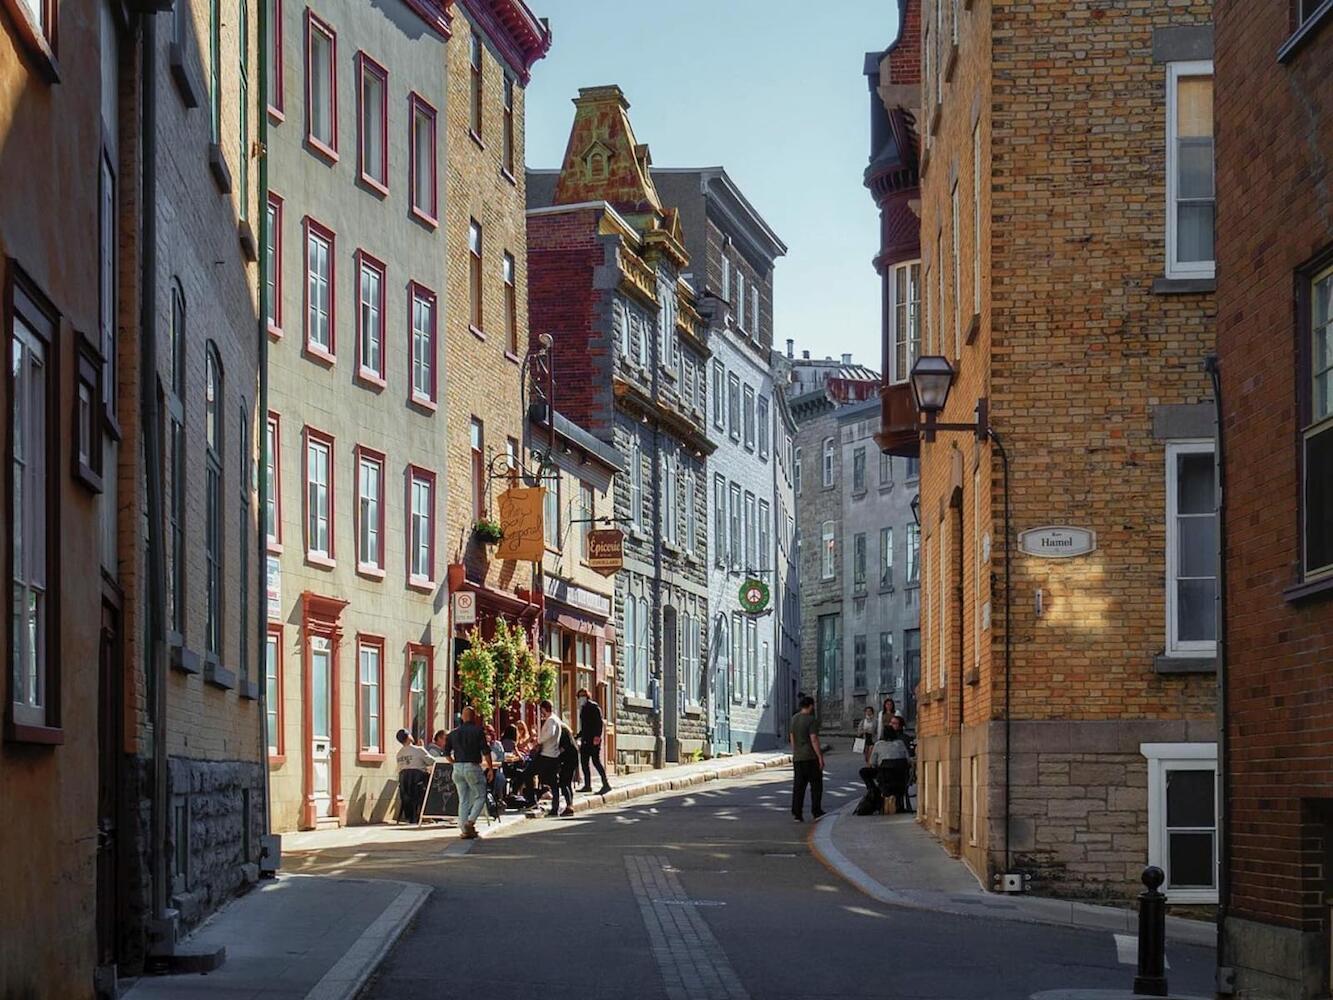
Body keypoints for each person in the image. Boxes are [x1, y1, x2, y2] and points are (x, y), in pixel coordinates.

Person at [442, 706, 493, 840]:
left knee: (463, 799)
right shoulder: (478, 731)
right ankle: (470, 822)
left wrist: (454, 763)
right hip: (472, 765)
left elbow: (446, 753)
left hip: (458, 767)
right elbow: (485, 751)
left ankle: (465, 830)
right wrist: (490, 768)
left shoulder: (453, 733)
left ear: (462, 718)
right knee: (480, 796)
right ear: (474, 716)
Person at [788, 696, 824, 822]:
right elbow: (813, 738)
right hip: (810, 757)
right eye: (812, 706)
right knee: (816, 785)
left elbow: (791, 736)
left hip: (798, 757)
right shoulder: (811, 720)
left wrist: (795, 751)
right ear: (809, 706)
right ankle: (816, 811)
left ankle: (797, 813)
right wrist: (820, 756)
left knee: (799, 786)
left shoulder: (794, 718)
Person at [859, 725, 911, 812]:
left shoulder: (878, 745)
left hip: (884, 777)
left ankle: (873, 789)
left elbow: (873, 763)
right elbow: (907, 759)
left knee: (863, 772)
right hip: (900, 778)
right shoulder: (900, 743)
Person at [575, 688, 612, 795]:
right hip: (585, 739)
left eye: (583, 695)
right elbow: (585, 726)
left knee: (596, 761)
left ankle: (606, 784)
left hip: (593, 740)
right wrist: (578, 736)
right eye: (580, 696)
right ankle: (587, 785)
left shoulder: (593, 707)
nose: (582, 698)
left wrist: (597, 736)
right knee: (584, 762)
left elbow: (599, 723)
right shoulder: (583, 708)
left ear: (588, 696)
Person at [395, 728, 433, 824]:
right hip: (419, 782)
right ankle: (427, 813)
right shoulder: (418, 750)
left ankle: (411, 816)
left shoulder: (399, 754)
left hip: (405, 785)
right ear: (409, 737)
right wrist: (423, 748)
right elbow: (432, 761)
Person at [533, 700, 564, 817]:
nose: (541, 712)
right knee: (553, 783)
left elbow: (550, 733)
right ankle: (555, 807)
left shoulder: (551, 720)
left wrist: (539, 740)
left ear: (545, 709)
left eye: (542, 710)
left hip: (547, 754)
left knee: (529, 773)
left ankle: (532, 799)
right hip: (553, 754)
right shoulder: (555, 719)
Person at [555, 719, 580, 816]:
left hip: (567, 760)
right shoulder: (568, 734)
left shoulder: (562, 733)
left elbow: (563, 748)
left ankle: (569, 806)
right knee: (568, 783)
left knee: (563, 782)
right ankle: (570, 805)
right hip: (572, 760)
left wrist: (556, 755)